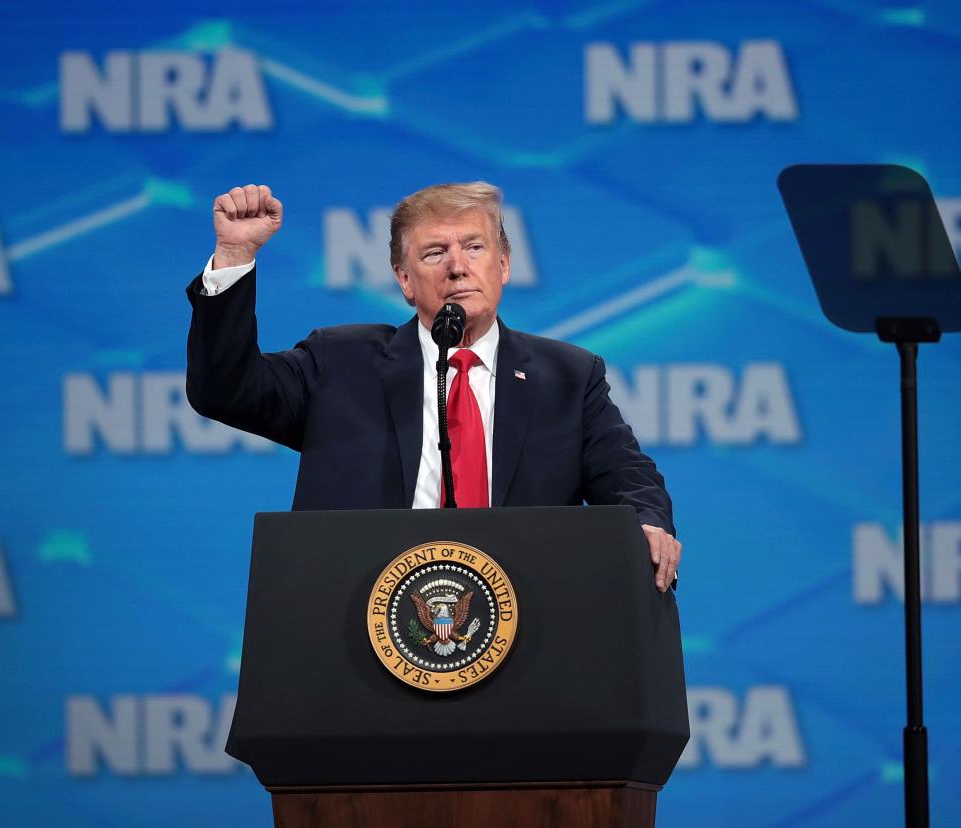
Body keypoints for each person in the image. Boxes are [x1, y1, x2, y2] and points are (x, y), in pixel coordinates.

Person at [185, 182, 682, 591]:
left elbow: (628, 477)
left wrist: (646, 524)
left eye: (474, 246)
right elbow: (225, 390)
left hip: (525, 621)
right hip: (357, 622)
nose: (457, 265)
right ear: (404, 279)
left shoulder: (569, 377)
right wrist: (234, 254)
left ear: (503, 265)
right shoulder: (339, 363)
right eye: (434, 252)